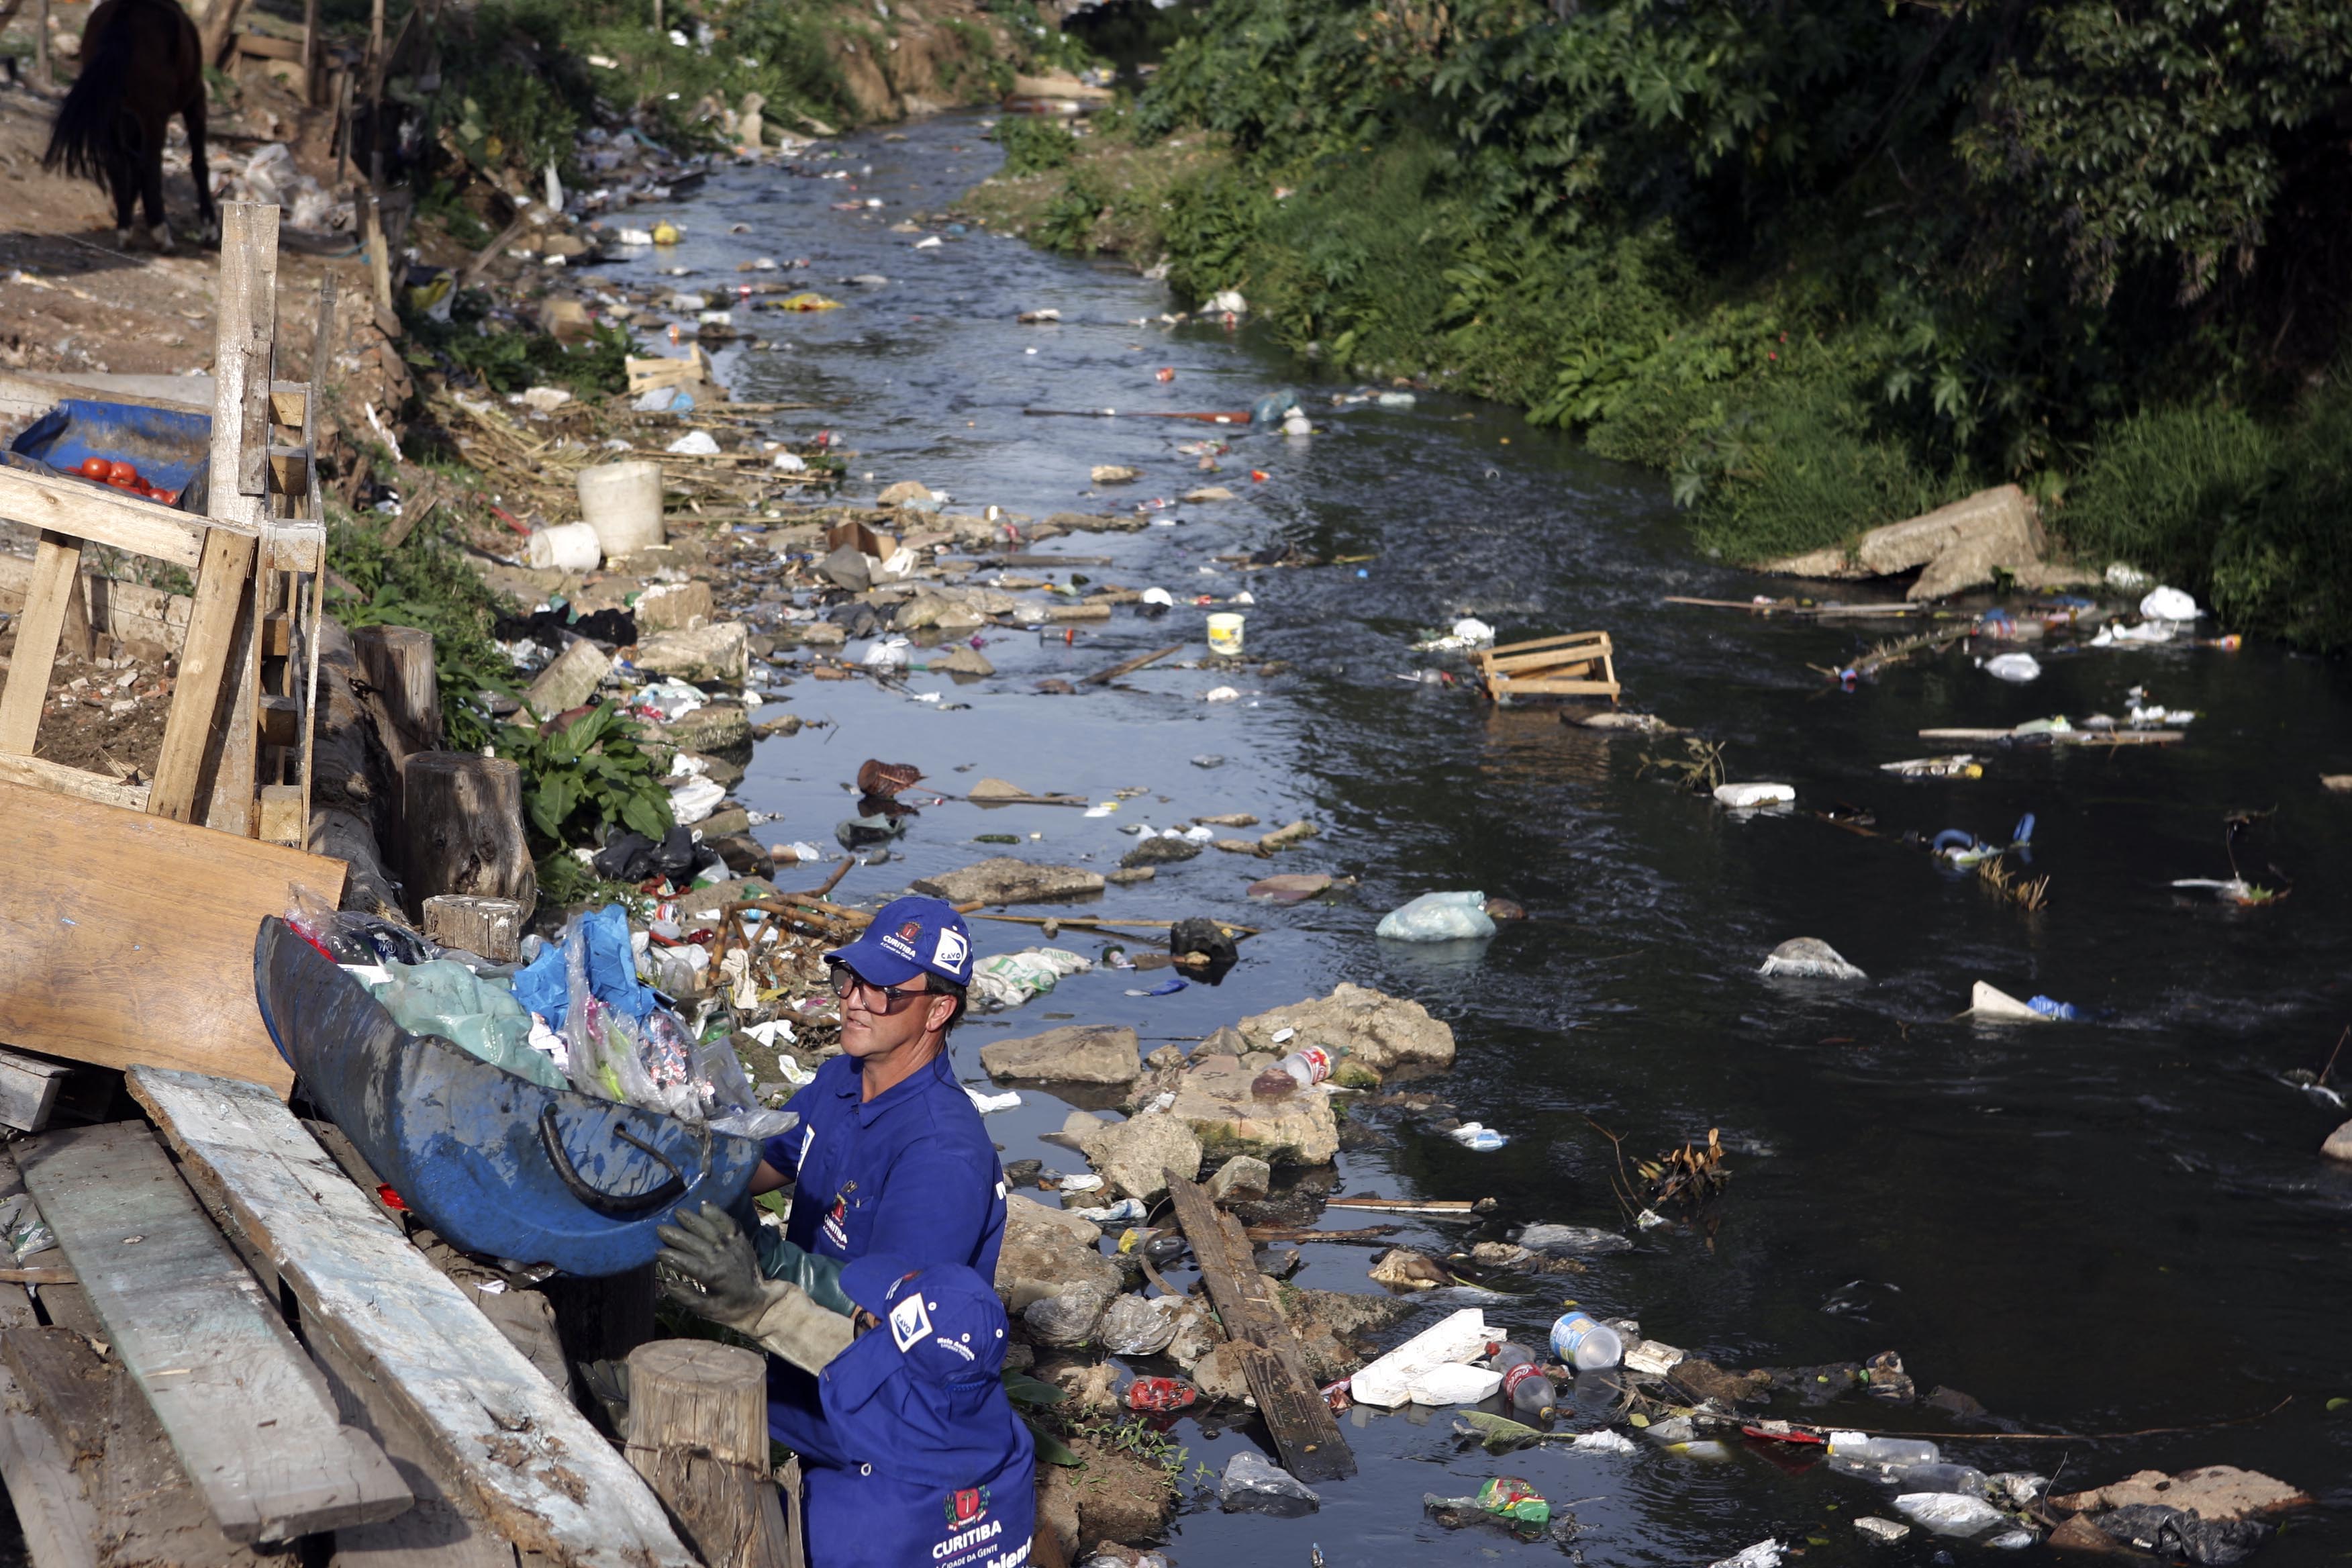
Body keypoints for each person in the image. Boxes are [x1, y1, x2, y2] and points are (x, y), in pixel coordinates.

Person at [657, 1206, 1036, 1568]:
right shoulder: (1013, 1450)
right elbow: (900, 1375)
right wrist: (765, 1310)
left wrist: (661, 1449)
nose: (860, 1315)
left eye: (869, 1324)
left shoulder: (835, 1520)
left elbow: (724, 1539)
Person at [750, 894, 1008, 1279]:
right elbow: (760, 1167)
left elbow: (894, 1303)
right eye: (851, 979)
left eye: (884, 990)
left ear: (938, 1010)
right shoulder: (840, 1078)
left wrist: (769, 1263)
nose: (854, 1001)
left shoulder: (942, 1153)